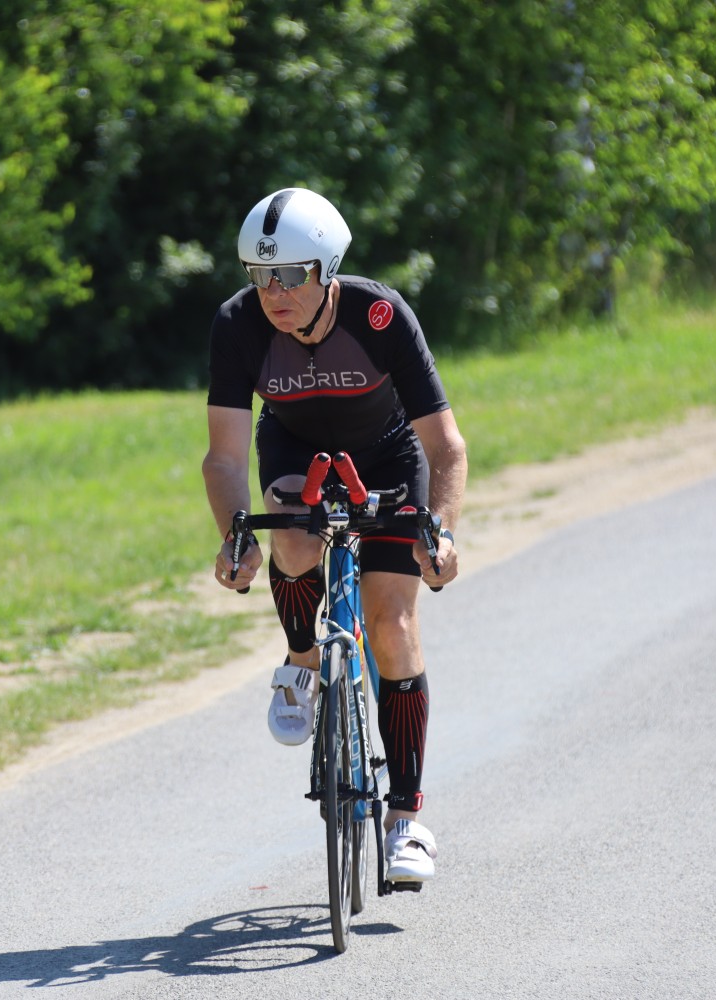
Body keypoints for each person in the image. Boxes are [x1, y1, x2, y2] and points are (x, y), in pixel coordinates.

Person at [202, 187, 468, 883]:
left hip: (387, 457)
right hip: (295, 451)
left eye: (290, 274)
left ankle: (405, 821)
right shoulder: (237, 325)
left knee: (392, 625)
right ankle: (303, 661)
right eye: (260, 275)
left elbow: (446, 447)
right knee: (290, 541)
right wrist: (235, 538)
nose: (274, 293)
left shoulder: (381, 316)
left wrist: (439, 534)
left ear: (326, 270)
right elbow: (223, 458)